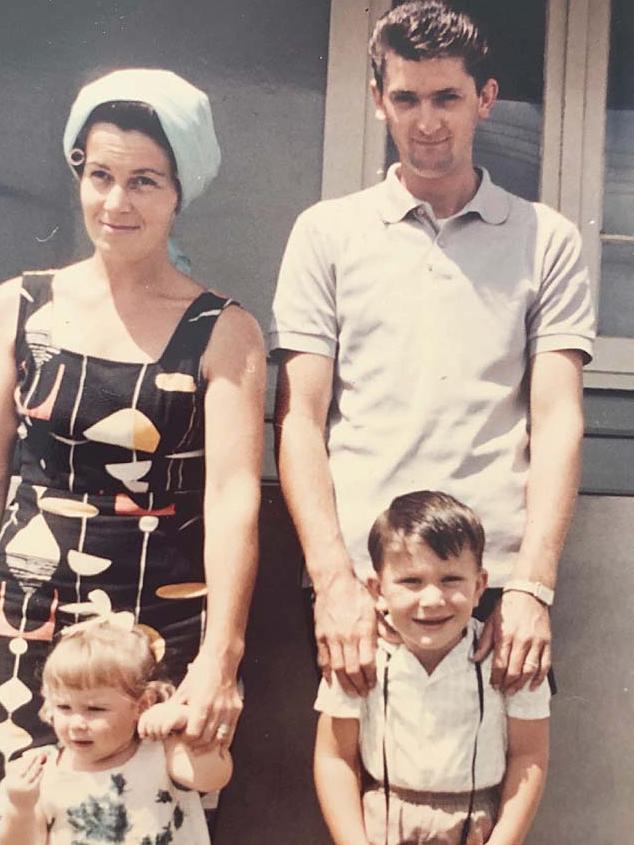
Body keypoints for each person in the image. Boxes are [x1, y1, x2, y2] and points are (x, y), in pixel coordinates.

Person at [270, 0, 594, 697]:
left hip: (493, 578)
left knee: (491, 784)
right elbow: (299, 418)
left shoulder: (546, 239)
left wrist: (533, 585)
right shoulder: (327, 234)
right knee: (365, 786)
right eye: (406, 98)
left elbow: (560, 418)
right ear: (377, 100)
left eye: (447, 97)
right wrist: (332, 580)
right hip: (364, 577)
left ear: (485, 100)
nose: (426, 122)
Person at [0, 68, 265, 781]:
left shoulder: (224, 331)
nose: (116, 201)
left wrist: (220, 658)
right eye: (101, 175)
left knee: (150, 817)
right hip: (28, 623)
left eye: (145, 180)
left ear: (181, 193)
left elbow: (234, 500)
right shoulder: (20, 307)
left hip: (161, 633)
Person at [314, 490, 550, 845]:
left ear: (480, 586)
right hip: (382, 824)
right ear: (377, 589)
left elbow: (529, 756)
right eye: (411, 581)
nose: (432, 599)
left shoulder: (508, 658)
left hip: (477, 827)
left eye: (451, 580)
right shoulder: (361, 657)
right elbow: (335, 757)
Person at [0, 616, 232, 845]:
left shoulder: (161, 751)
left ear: (142, 705)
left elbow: (213, 777)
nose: (77, 723)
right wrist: (21, 807)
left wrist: (184, 721)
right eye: (64, 707)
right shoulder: (40, 772)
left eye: (95, 709)